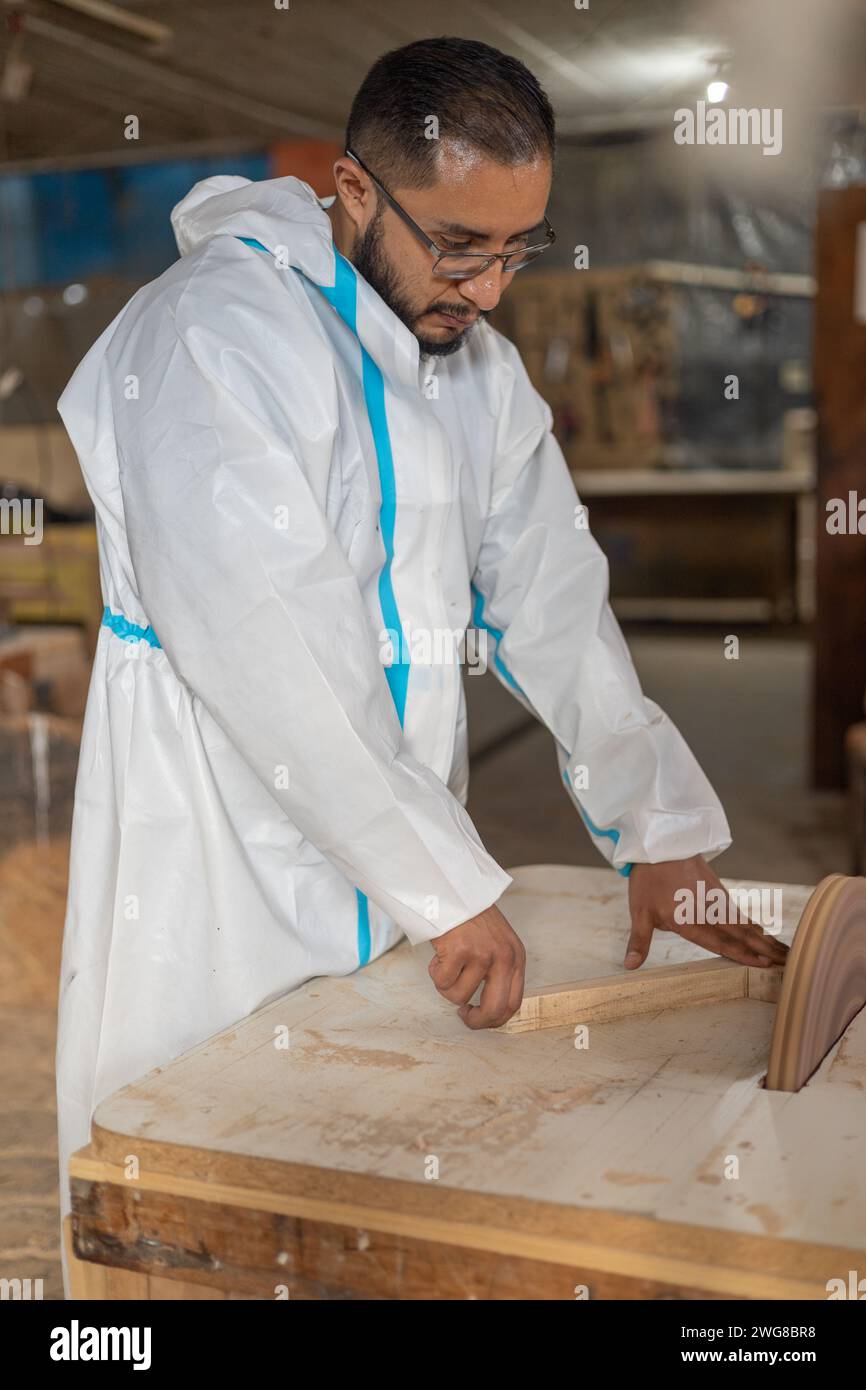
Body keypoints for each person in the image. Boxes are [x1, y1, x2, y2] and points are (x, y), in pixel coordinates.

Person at [55, 36, 786, 1289]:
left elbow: (548, 591)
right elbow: (263, 644)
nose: (491, 290)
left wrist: (654, 821)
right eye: (459, 245)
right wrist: (440, 880)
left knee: (363, 1158)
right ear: (351, 192)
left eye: (519, 246)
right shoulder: (210, 341)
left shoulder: (471, 371)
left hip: (396, 847)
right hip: (217, 838)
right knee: (199, 1164)